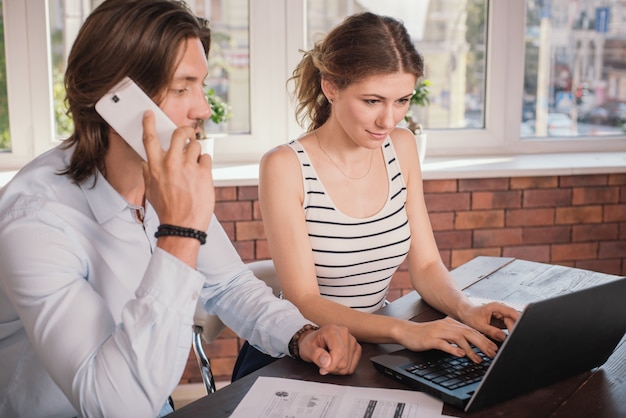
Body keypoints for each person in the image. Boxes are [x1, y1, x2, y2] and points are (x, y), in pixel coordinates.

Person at [0, 1, 361, 417]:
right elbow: (114, 406)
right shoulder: (35, 220)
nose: (203, 109)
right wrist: (180, 233)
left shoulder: (164, 173)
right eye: (182, 87)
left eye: (201, 85)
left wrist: (301, 335)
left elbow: (228, 286)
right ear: (116, 98)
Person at [239, 11, 522, 377]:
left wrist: (466, 308)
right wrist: (406, 331)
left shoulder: (401, 147)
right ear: (331, 88)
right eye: (372, 101)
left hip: (372, 343)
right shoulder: (285, 165)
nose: (388, 121)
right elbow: (305, 301)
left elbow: (425, 266)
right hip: (302, 352)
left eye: (402, 100)